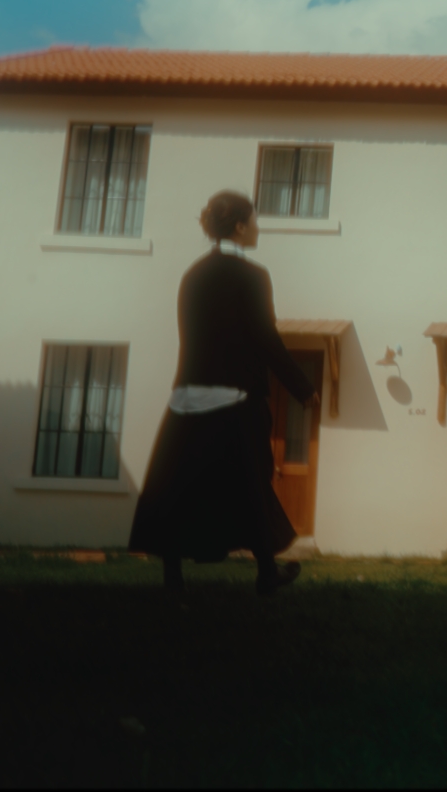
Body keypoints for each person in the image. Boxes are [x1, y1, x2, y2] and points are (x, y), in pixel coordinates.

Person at [128, 191, 320, 596]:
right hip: (235, 398)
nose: (258, 227)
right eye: (254, 220)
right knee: (250, 483)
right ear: (239, 226)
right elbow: (267, 339)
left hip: (187, 396)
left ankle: (173, 578)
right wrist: (303, 388)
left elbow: (190, 338)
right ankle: (267, 572)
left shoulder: (191, 275)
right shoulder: (254, 276)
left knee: (179, 486)